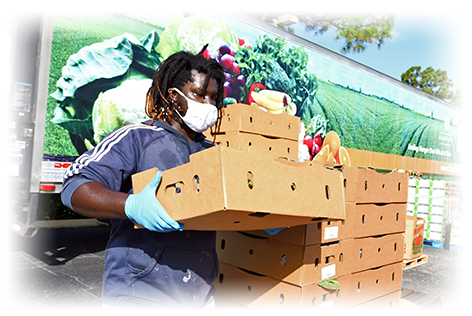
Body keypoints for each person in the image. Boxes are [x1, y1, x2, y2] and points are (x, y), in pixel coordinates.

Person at [61, 47, 226, 308]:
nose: (208, 106)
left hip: (201, 296)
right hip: (139, 294)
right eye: (199, 95)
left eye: (214, 98)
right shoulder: (136, 138)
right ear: (174, 96)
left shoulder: (214, 154)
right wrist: (130, 205)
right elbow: (75, 184)